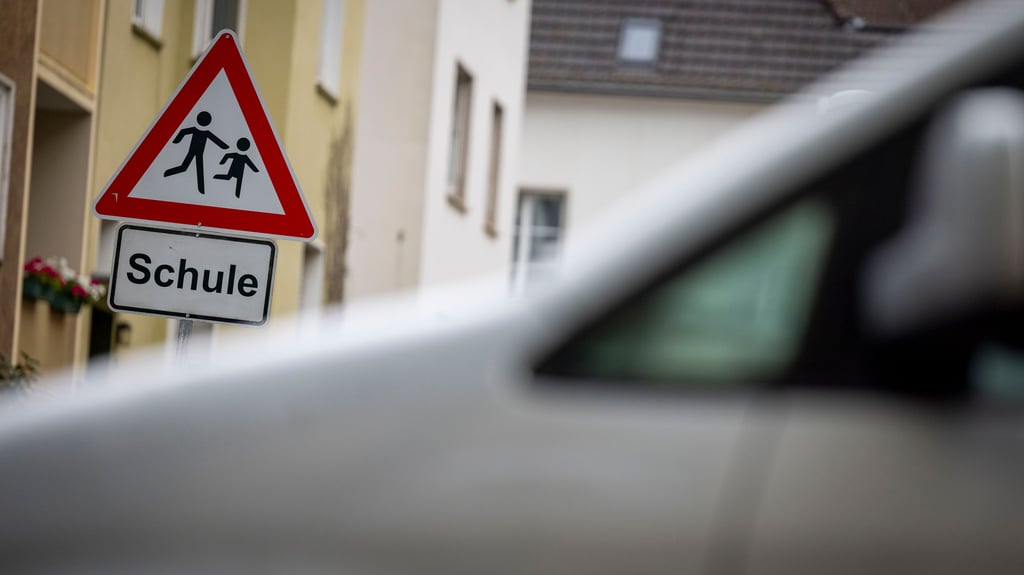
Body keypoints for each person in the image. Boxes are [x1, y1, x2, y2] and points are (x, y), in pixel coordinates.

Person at [163, 111, 228, 195]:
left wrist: (225, 147)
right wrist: (176, 141)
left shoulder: (204, 133)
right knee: (186, 167)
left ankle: (201, 190)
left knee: (196, 169)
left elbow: (217, 141)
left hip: (199, 154)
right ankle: (168, 173)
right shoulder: (198, 131)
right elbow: (183, 132)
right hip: (193, 151)